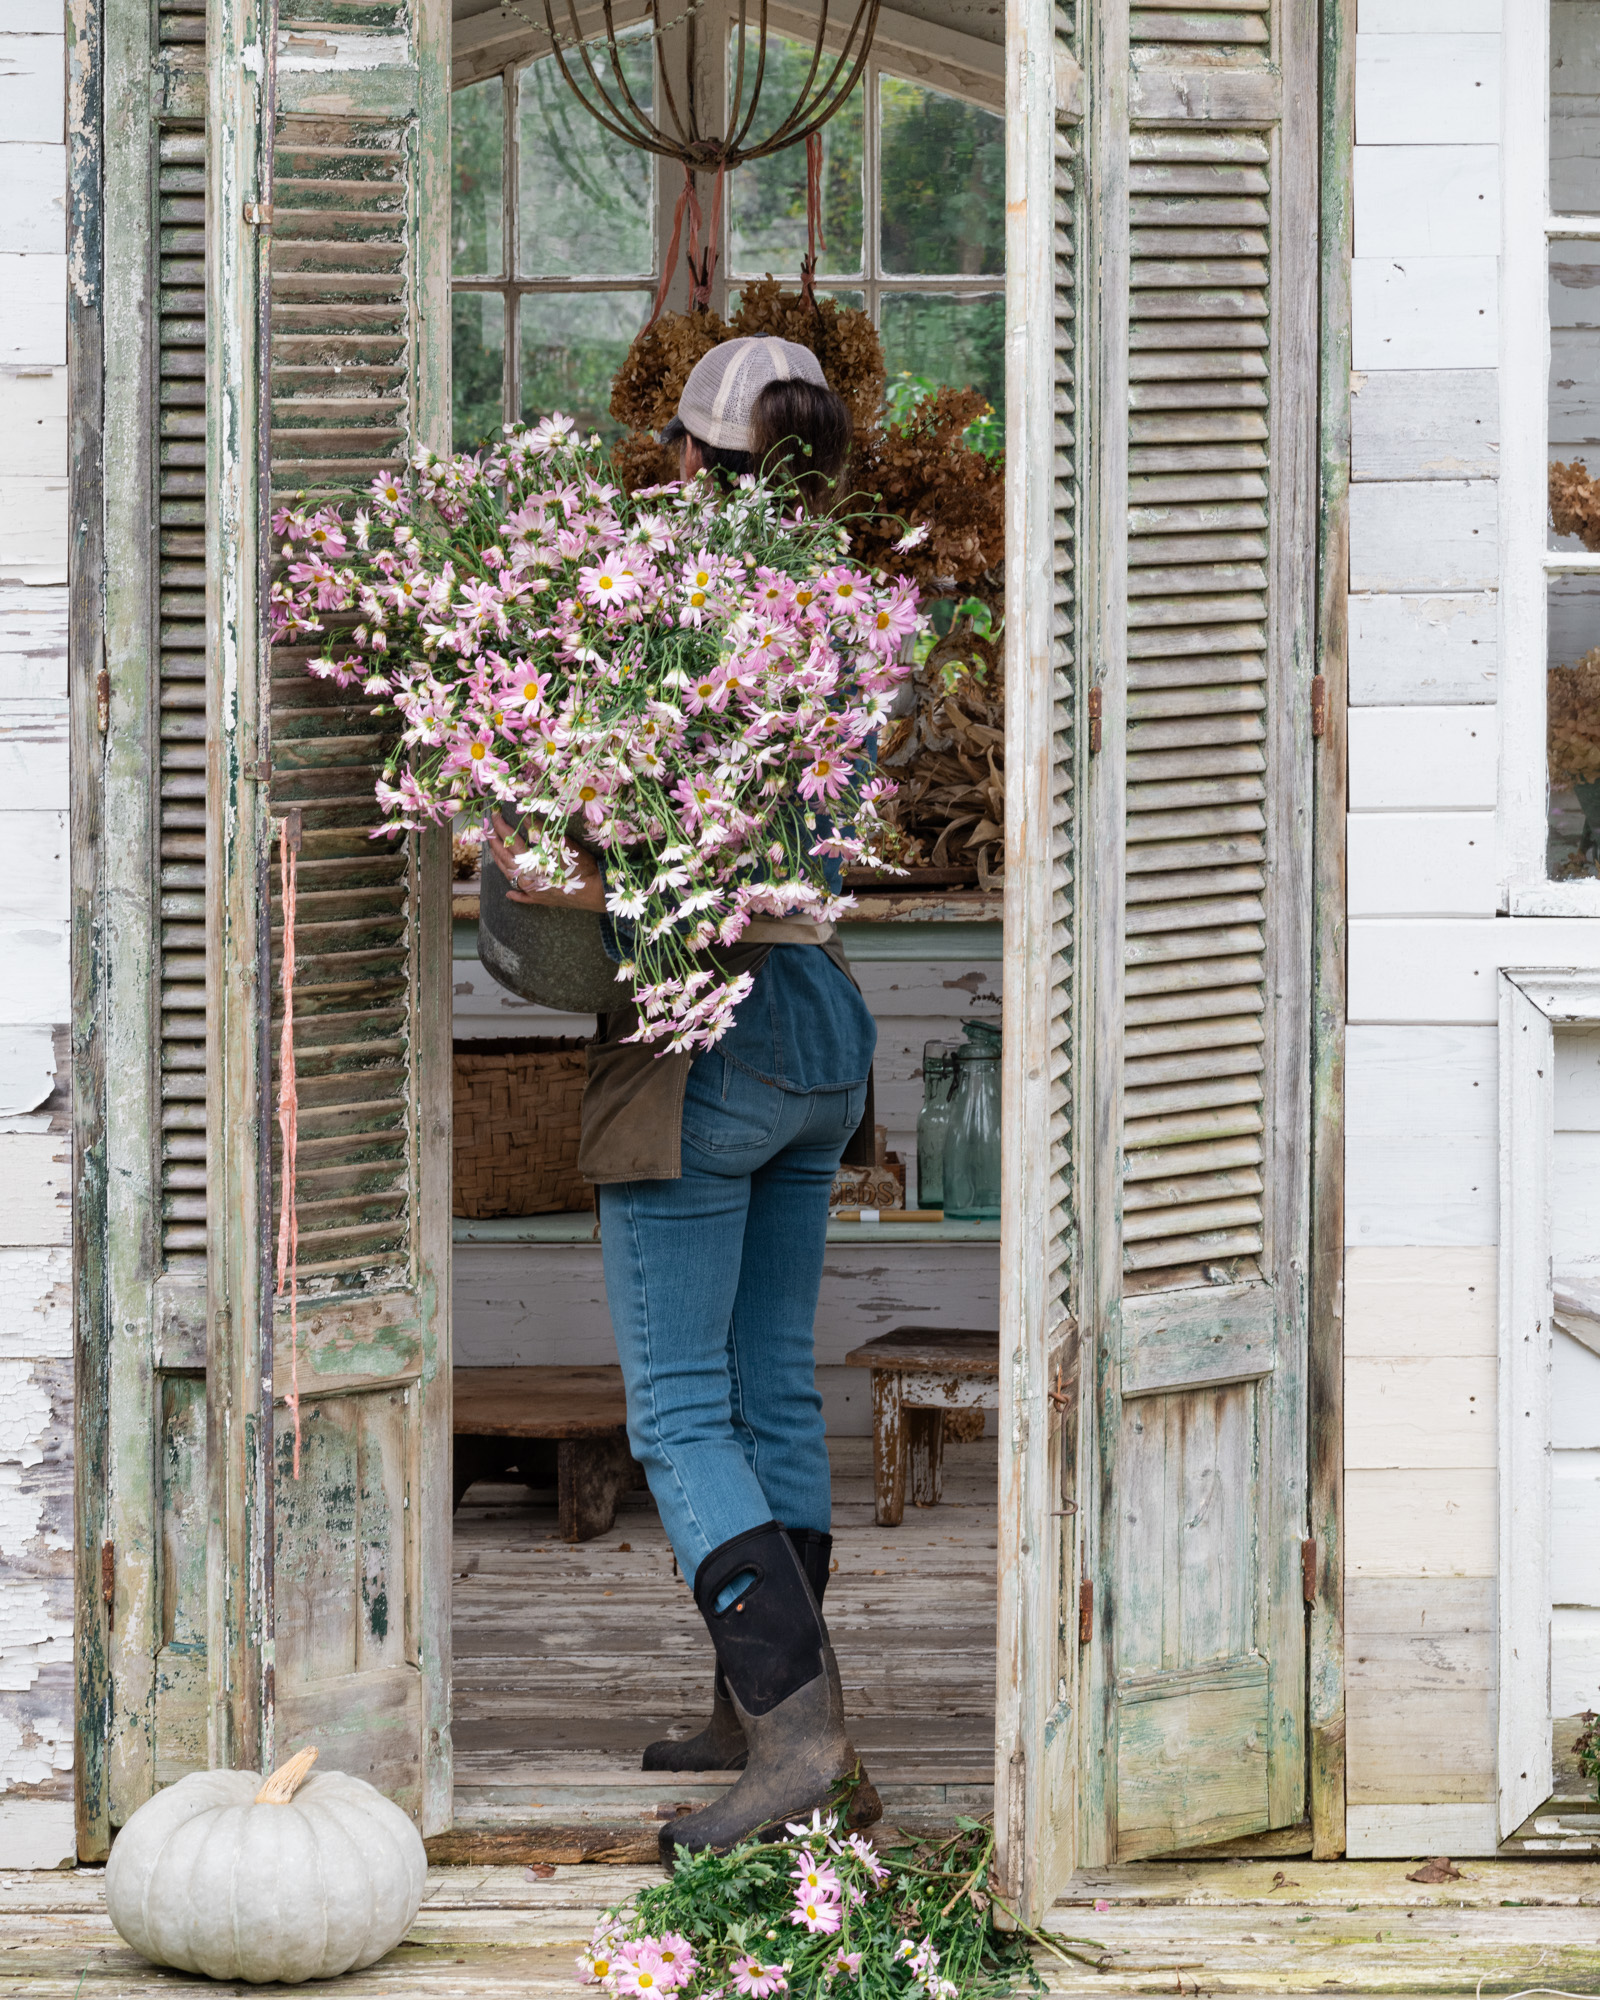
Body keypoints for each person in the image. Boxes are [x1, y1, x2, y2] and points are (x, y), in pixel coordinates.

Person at [486, 338, 883, 1863]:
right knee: (774, 1381)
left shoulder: (665, 604)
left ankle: (795, 1735)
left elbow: (620, 836)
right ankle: (752, 1706)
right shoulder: (848, 604)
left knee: (677, 1408)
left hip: (705, 1031)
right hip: (824, 1026)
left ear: (687, 455)